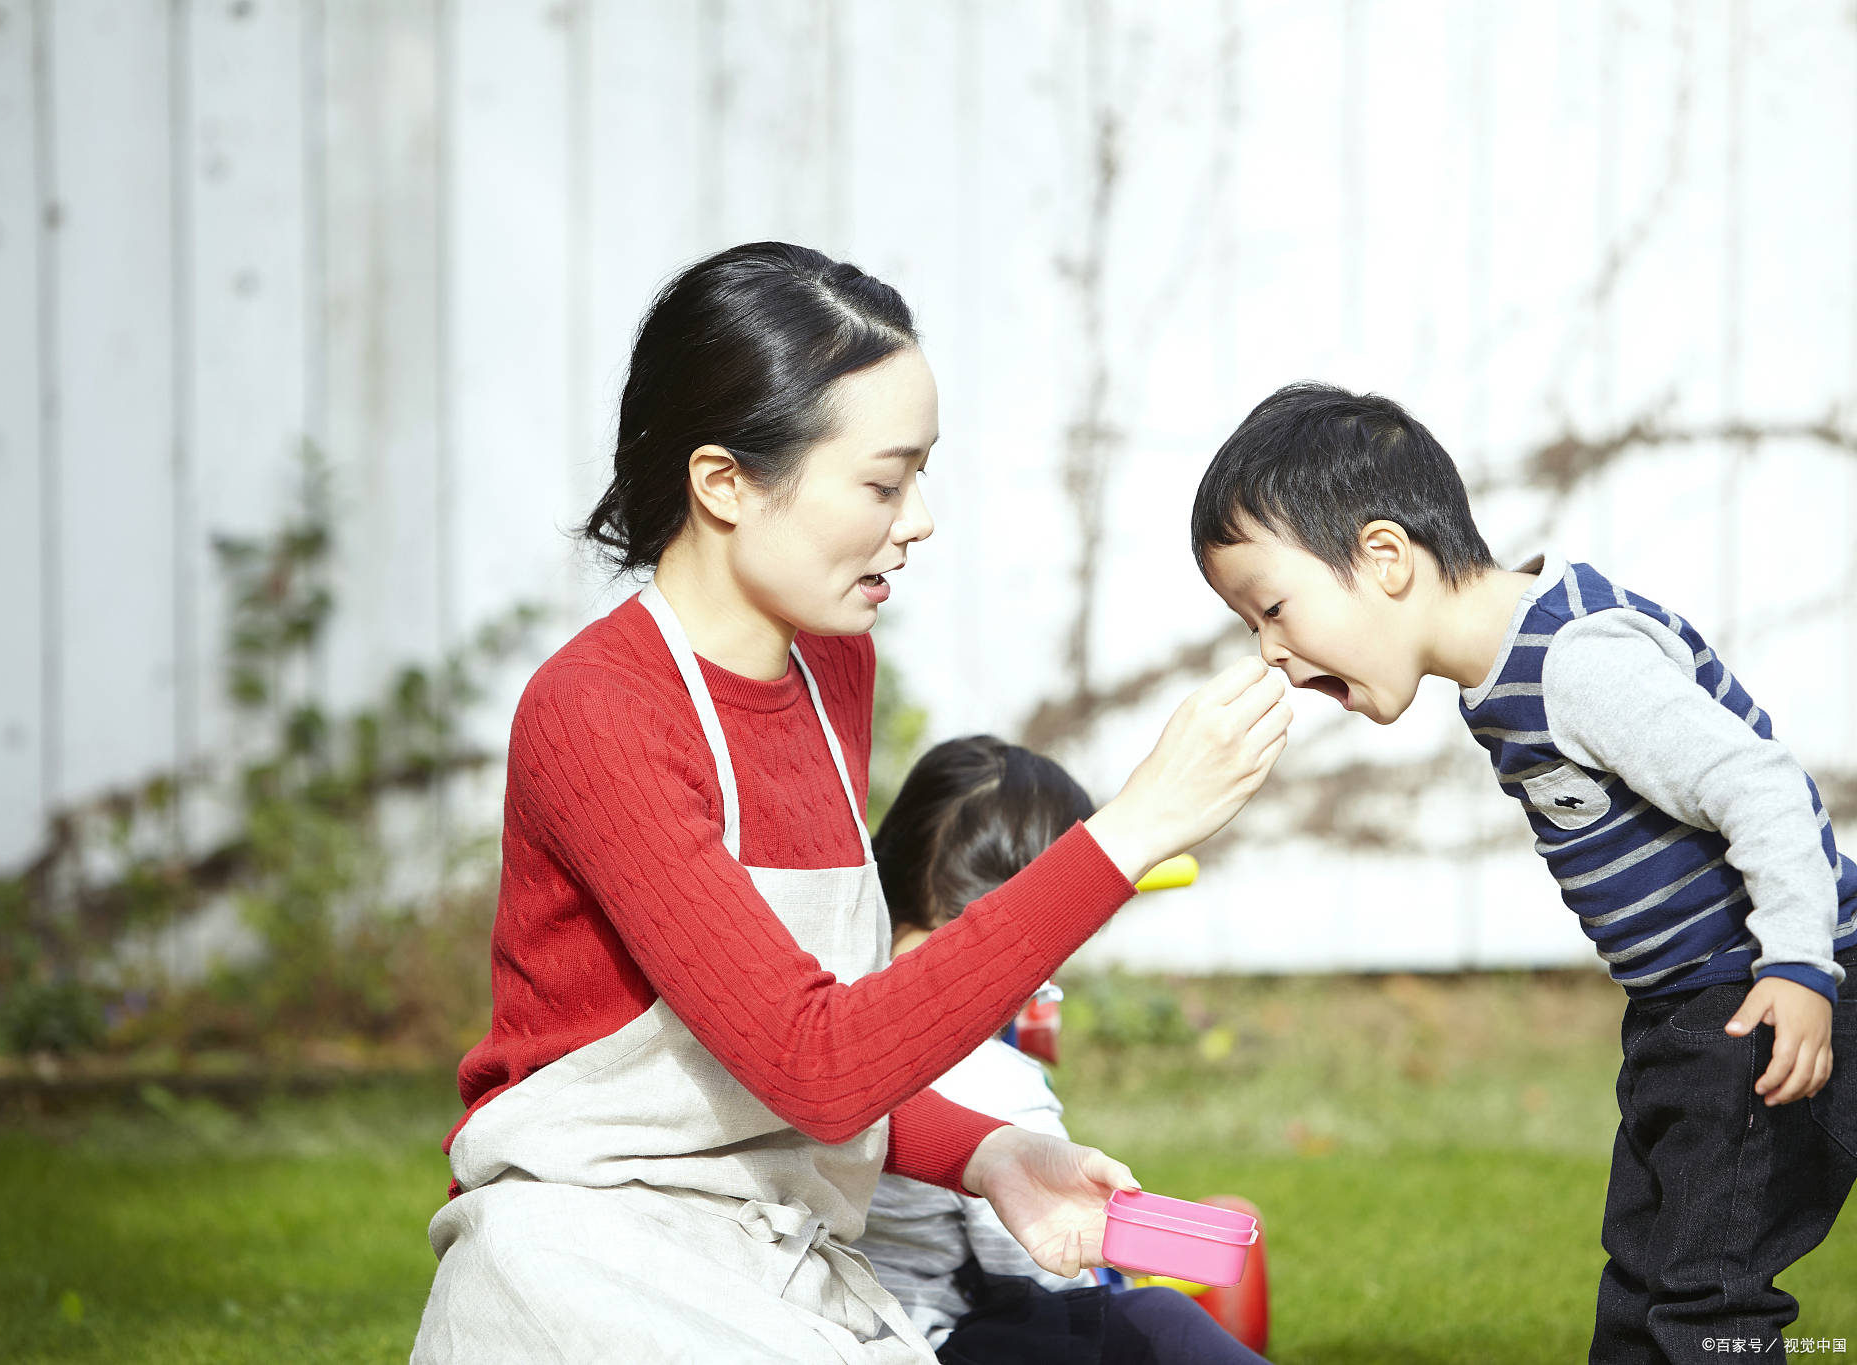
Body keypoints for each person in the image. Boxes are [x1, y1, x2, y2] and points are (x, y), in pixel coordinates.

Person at [410, 242, 1293, 1363]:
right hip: (596, 1282)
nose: (917, 520)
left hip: (777, 1260)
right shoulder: (596, 713)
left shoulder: (829, 673)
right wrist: (1127, 834)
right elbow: (812, 1062)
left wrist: (988, 1154)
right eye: (881, 483)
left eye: (920, 475)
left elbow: (780, 1048)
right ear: (723, 482)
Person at [1188, 380, 1857, 1363]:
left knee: (1701, 1301)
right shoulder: (1500, 677)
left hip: (1756, 999)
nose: (1270, 652)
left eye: (1273, 607)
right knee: (1643, 1276)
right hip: (1683, 1013)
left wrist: (1797, 968)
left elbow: (1758, 787)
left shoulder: (1574, 659)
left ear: (1382, 557)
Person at [857, 734, 1271, 1365]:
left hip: (831, 1313)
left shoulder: (841, 1008)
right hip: (935, 1342)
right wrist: (1114, 1282)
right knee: (1158, 1321)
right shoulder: (990, 1075)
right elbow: (1038, 1261)